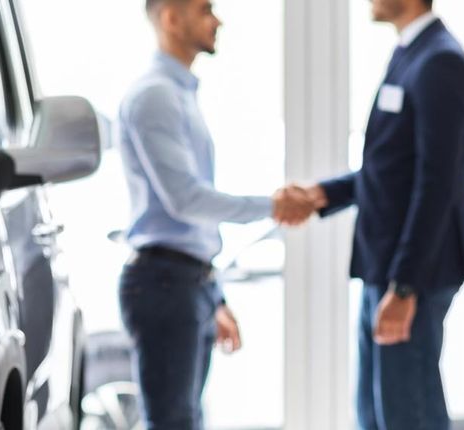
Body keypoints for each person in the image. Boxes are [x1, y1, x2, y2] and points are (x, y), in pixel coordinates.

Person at [276, 0, 464, 428]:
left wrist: (404, 286)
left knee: (407, 415)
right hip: (385, 269)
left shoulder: (441, 61)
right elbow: (389, 168)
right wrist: (320, 195)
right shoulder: (410, 52)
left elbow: (436, 184)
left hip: (411, 277)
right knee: (375, 414)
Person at [118, 0, 318, 428]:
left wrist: (214, 295)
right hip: (165, 283)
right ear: (171, 18)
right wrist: (273, 206)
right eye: (205, 9)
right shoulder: (155, 96)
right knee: (174, 422)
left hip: (185, 281)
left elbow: (189, 221)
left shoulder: (178, 94)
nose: (218, 20)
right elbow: (186, 200)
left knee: (186, 419)